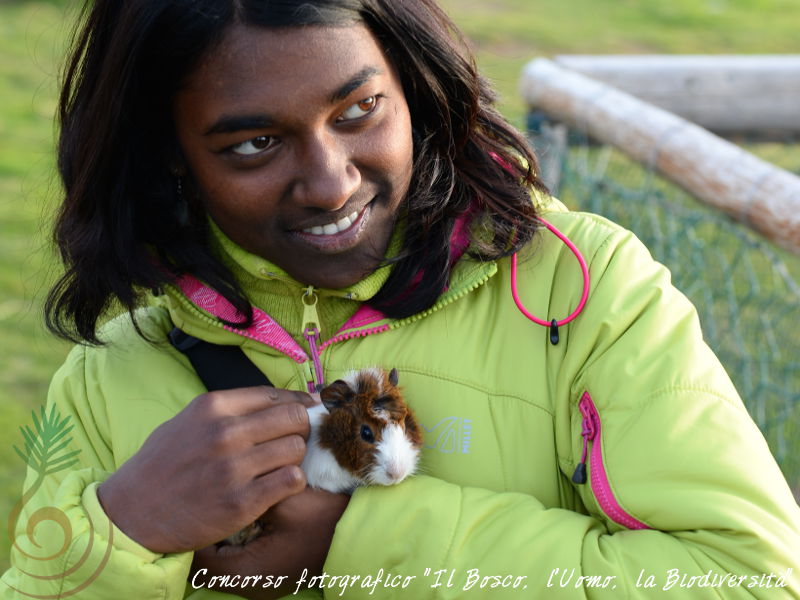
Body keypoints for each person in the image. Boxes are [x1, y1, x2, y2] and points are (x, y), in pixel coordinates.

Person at [3, 0, 799, 598]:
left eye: (359, 112)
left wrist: (359, 539)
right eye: (254, 144)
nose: (331, 182)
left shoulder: (582, 288)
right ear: (170, 157)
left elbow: (752, 579)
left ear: (413, 87)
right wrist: (119, 535)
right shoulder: (110, 379)